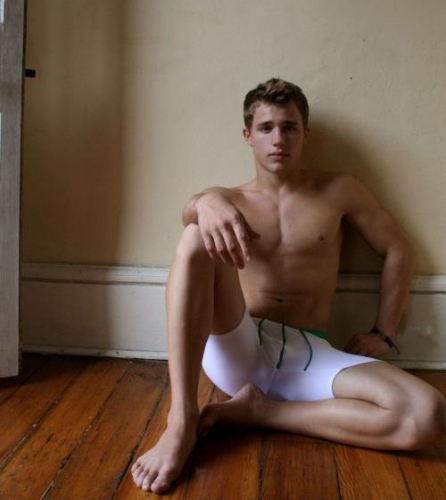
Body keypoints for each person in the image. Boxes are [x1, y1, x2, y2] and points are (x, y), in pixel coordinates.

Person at [131, 78, 445, 493]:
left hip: (309, 353)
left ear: (305, 133)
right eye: (266, 128)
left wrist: (383, 332)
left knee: (427, 414)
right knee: (194, 236)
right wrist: (204, 203)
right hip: (241, 344)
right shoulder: (227, 200)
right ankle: (182, 418)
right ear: (248, 135)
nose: (278, 139)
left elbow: (398, 249)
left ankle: (260, 412)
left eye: (289, 127)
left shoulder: (339, 190)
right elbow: (190, 211)